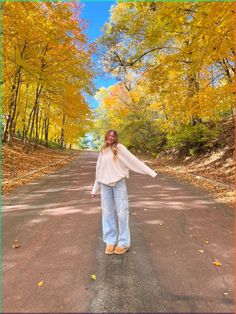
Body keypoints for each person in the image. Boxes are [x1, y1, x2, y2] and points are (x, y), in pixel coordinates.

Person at [91, 129, 157, 255]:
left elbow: (133, 161)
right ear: (106, 136)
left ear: (116, 138)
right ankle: (110, 241)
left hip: (118, 184)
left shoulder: (120, 148)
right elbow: (98, 170)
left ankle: (123, 243)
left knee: (122, 213)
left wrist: (150, 172)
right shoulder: (103, 150)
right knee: (107, 213)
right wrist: (95, 188)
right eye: (109, 135)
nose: (111, 138)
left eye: (113, 136)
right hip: (105, 185)